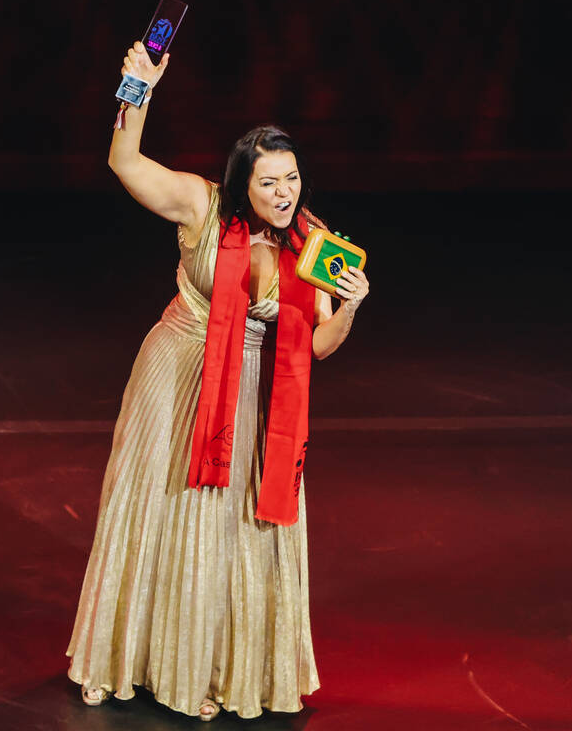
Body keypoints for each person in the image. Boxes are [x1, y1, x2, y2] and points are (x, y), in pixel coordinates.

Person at [66, 42, 369, 720]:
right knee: (152, 506)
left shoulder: (313, 246)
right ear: (242, 185)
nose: (284, 193)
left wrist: (349, 305)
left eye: (291, 179)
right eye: (268, 183)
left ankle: (213, 667)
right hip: (175, 376)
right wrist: (135, 89)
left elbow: (318, 345)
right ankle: (120, 659)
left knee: (230, 529)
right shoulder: (203, 208)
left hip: (252, 398)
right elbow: (124, 161)